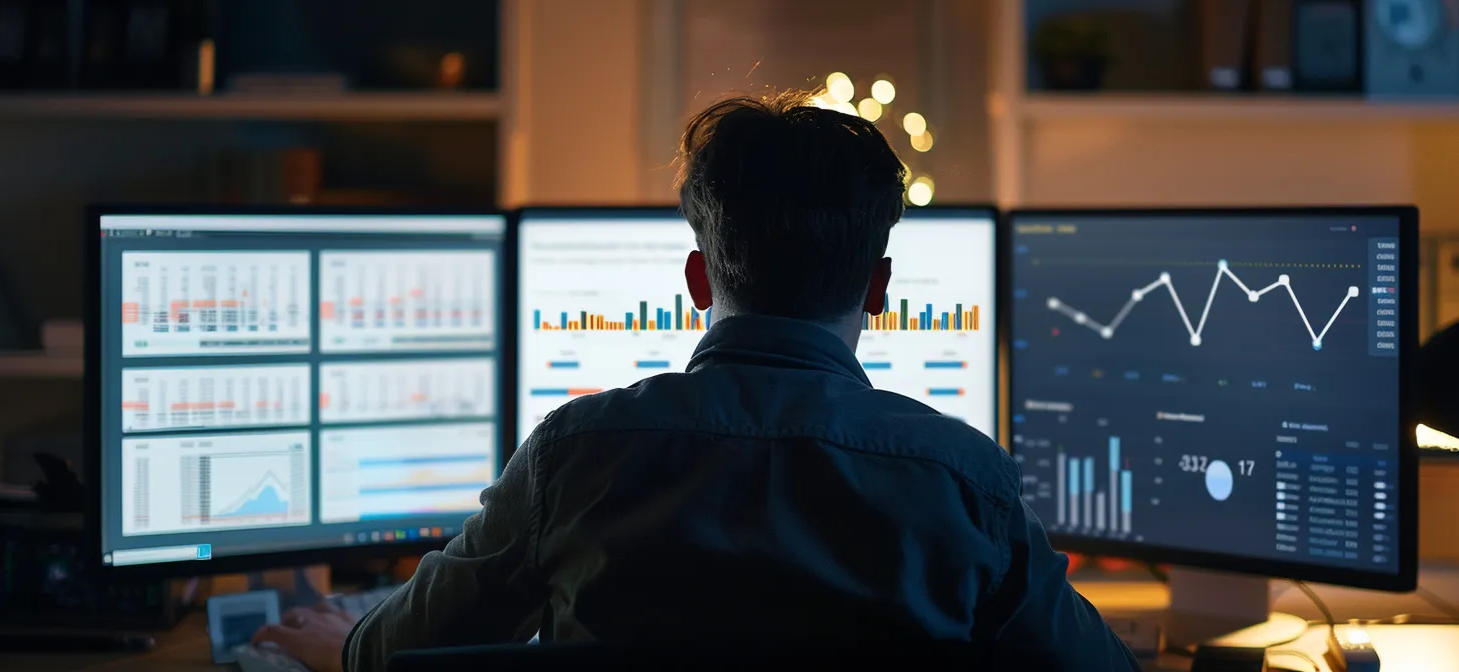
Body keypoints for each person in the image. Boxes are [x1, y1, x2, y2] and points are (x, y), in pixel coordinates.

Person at [254, 90, 1141, 672]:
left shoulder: (574, 456)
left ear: (697, 280)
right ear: (878, 289)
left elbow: (406, 652)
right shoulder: (963, 483)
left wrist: (348, 642)